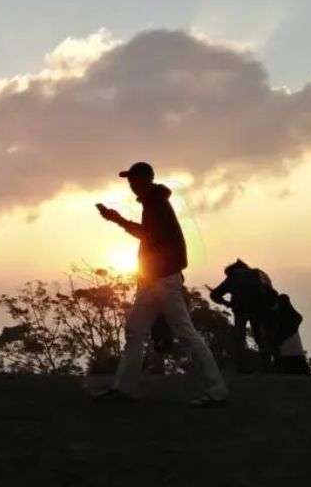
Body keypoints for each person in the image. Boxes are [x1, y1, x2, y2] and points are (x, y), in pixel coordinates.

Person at [95, 162, 229, 407]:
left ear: (147, 179)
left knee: (184, 331)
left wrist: (117, 219)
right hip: (153, 279)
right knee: (136, 329)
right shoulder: (153, 203)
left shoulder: (156, 203)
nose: (131, 184)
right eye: (129, 180)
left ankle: (216, 391)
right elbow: (150, 236)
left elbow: (147, 235)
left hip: (165, 278)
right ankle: (125, 389)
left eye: (134, 179)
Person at [209, 259, 276, 373]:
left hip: (241, 310)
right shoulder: (258, 273)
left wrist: (226, 303)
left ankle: (241, 368)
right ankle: (267, 367)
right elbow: (271, 292)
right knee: (261, 338)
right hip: (259, 308)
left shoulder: (234, 276)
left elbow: (214, 294)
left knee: (239, 339)